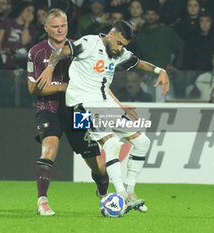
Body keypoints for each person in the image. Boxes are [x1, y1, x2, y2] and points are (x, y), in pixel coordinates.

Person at [37, 20, 169, 213]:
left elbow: (138, 63)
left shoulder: (119, 53)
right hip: (81, 105)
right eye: (118, 43)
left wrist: (159, 70)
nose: (120, 48)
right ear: (110, 34)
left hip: (105, 104)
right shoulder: (90, 43)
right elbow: (60, 51)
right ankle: (121, 195)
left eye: (124, 45)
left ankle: (130, 192)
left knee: (143, 142)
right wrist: (49, 68)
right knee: (112, 144)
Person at [26, 8, 109, 216]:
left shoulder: (79, 47)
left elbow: (96, 80)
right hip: (49, 109)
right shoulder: (36, 52)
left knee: (97, 164)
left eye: (63, 25)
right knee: (49, 148)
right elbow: (33, 89)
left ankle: (104, 195)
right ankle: (42, 201)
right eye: (55, 26)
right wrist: (63, 87)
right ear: (46, 28)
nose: (60, 30)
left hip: (79, 111)